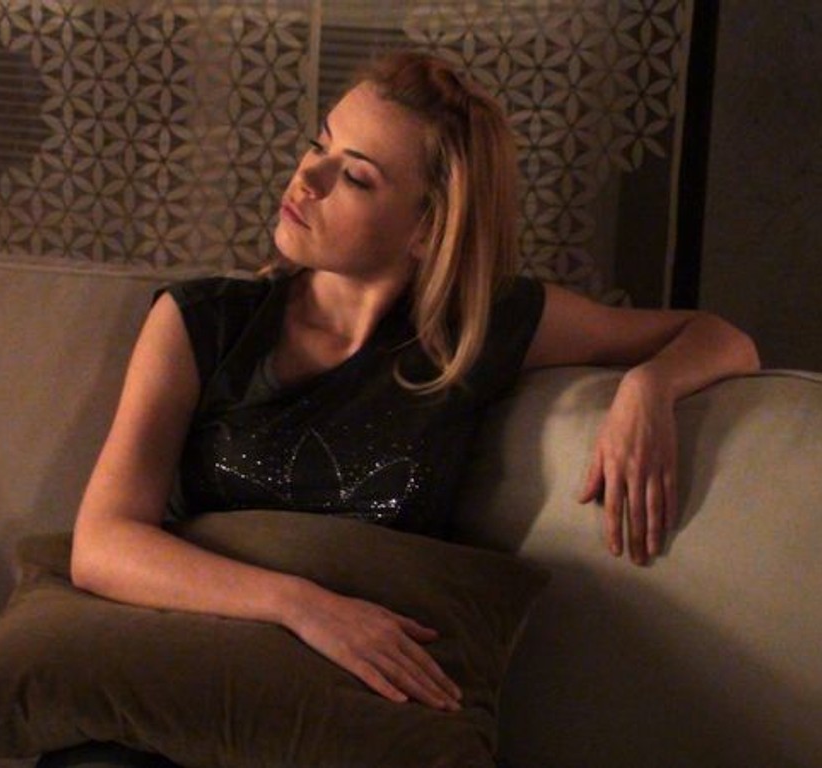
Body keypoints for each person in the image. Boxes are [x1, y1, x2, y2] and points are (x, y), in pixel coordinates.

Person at [69, 50, 759, 715]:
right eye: (319, 144)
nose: (307, 178)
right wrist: (302, 606)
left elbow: (722, 337)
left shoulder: (478, 330)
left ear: (427, 229)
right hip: (180, 675)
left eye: (356, 176)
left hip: (348, 708)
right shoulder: (200, 320)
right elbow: (101, 543)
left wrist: (648, 390)